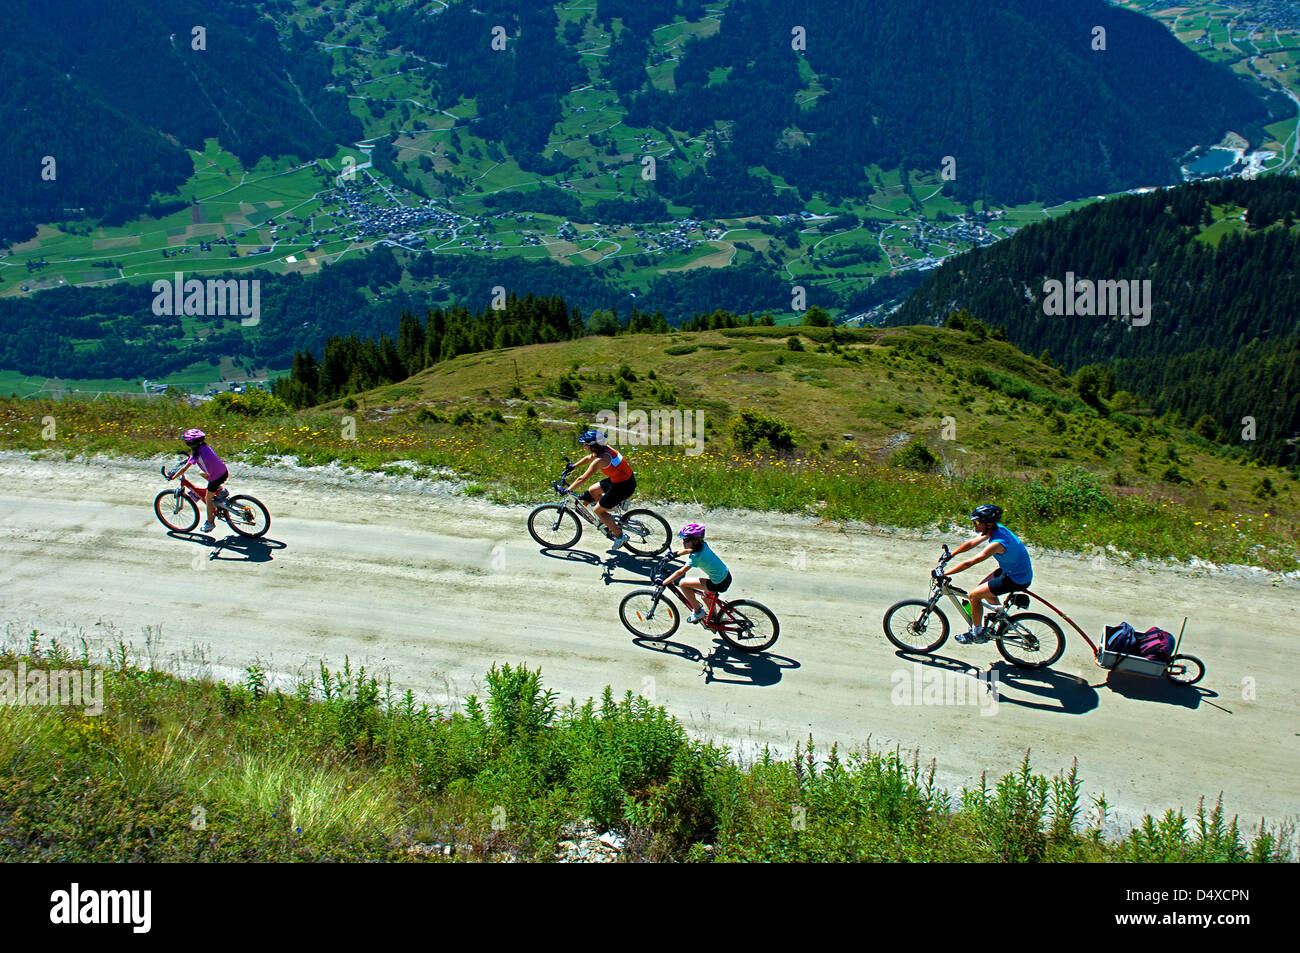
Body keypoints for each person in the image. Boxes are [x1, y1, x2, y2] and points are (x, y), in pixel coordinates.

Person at [943, 503, 1033, 644]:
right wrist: (952, 554)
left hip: (1016, 578)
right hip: (1012, 571)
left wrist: (945, 573)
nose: (975, 526)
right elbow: (972, 543)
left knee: (974, 596)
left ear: (989, 523)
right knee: (983, 590)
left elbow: (971, 562)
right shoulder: (997, 530)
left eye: (978, 523)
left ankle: (976, 633)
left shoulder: (998, 543)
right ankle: (1003, 620)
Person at [566, 430, 636, 552]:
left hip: (623, 486)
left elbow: (582, 478)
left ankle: (620, 536)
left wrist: (567, 490)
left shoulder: (601, 459)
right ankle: (608, 515)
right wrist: (573, 466)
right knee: (593, 490)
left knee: (597, 510)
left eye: (586, 444)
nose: (584, 446)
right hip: (621, 480)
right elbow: (589, 458)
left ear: (593, 446)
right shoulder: (604, 449)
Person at [663, 523, 731, 624]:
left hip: (718, 583)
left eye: (686, 540)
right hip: (726, 577)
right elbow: (689, 550)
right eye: (683, 540)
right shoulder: (703, 545)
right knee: (705, 597)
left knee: (683, 584)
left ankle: (698, 612)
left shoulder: (696, 557)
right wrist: (674, 555)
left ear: (695, 540)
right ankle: (716, 618)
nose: (683, 543)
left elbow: (680, 572)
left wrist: (664, 582)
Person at [172, 428, 229, 533]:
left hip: (216, 477)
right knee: (201, 472)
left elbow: (184, 468)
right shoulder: (204, 447)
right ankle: (221, 490)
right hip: (224, 471)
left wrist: (173, 477)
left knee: (208, 499)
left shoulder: (196, 454)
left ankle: (210, 523)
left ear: (190, 444)